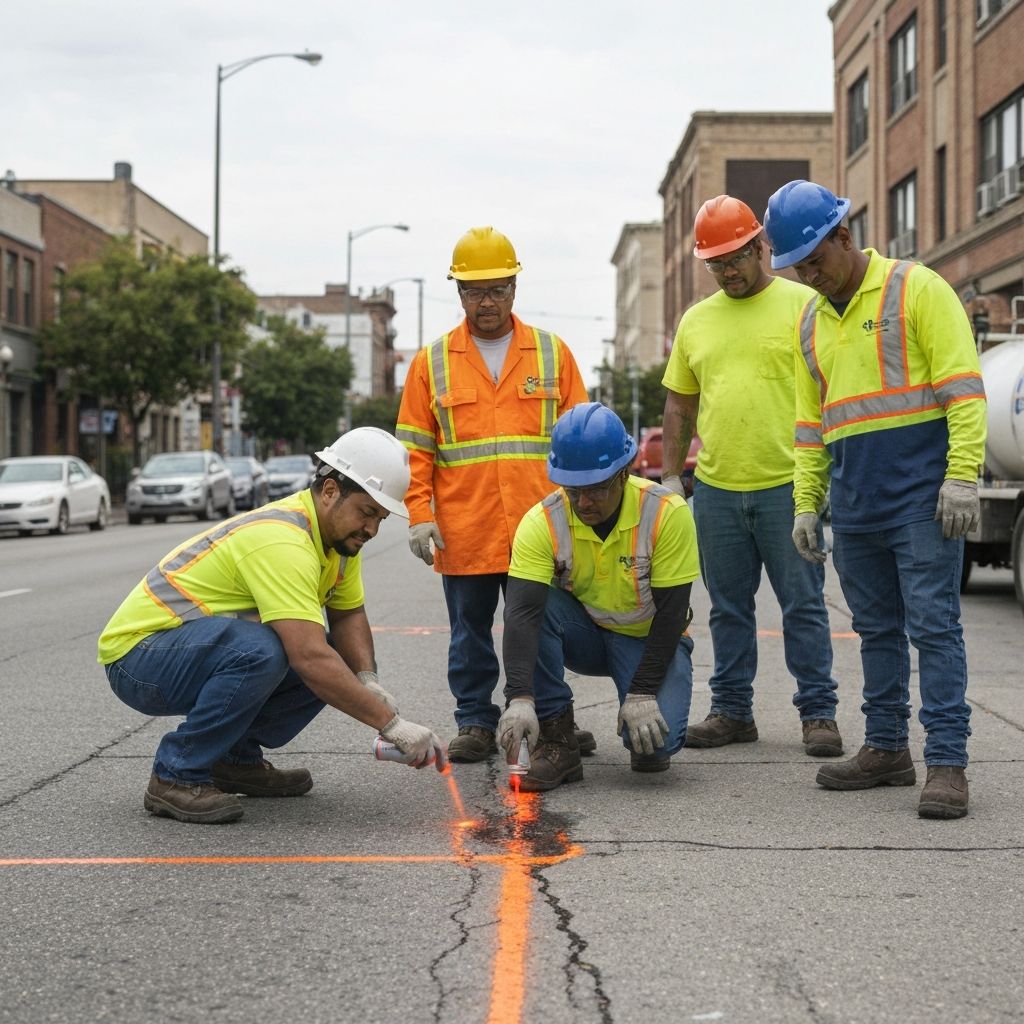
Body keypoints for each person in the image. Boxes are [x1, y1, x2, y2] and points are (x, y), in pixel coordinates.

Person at [762, 179, 987, 819]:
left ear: (844, 235)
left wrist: (962, 474)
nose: (810, 276)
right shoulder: (810, 322)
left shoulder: (916, 289)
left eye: (816, 260)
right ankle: (887, 747)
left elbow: (963, 390)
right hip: (855, 505)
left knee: (934, 628)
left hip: (921, 500)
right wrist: (807, 503)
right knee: (876, 632)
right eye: (798, 267)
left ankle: (947, 762)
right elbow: (812, 427)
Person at [98, 428, 447, 824]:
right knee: (269, 651)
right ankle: (175, 774)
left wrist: (366, 678)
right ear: (330, 491)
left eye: (380, 518)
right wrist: (392, 724)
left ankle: (232, 759)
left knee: (328, 658)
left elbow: (348, 614)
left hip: (182, 651)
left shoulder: (338, 545)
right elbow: (309, 657)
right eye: (367, 513)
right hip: (138, 658)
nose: (372, 529)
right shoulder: (282, 540)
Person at [396, 226, 591, 762]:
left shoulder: (552, 354)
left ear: (514, 287)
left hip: (540, 526)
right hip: (466, 526)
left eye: (497, 289)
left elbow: (581, 439)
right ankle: (476, 722)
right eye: (473, 290)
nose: (486, 301)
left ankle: (552, 719)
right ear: (458, 293)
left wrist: (583, 516)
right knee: (470, 635)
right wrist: (419, 513)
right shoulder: (432, 362)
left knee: (543, 629)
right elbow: (415, 449)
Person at [661, 195, 842, 757]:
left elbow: (833, 387)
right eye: (715, 263)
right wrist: (671, 477)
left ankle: (818, 713)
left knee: (803, 605)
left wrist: (826, 480)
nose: (727, 271)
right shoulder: (696, 320)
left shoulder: (803, 304)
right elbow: (678, 406)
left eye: (736, 258)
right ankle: (733, 712)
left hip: (788, 485)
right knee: (729, 608)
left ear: (761, 246)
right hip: (716, 490)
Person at [495, 402, 700, 790]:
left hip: (648, 639)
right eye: (573, 491)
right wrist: (520, 697)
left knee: (654, 748)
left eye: (596, 490)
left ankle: (640, 697)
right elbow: (521, 614)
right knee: (540, 607)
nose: (584, 503)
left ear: (624, 474)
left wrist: (641, 693)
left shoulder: (666, 514)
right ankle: (558, 739)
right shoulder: (543, 521)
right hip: (584, 633)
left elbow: (673, 615)